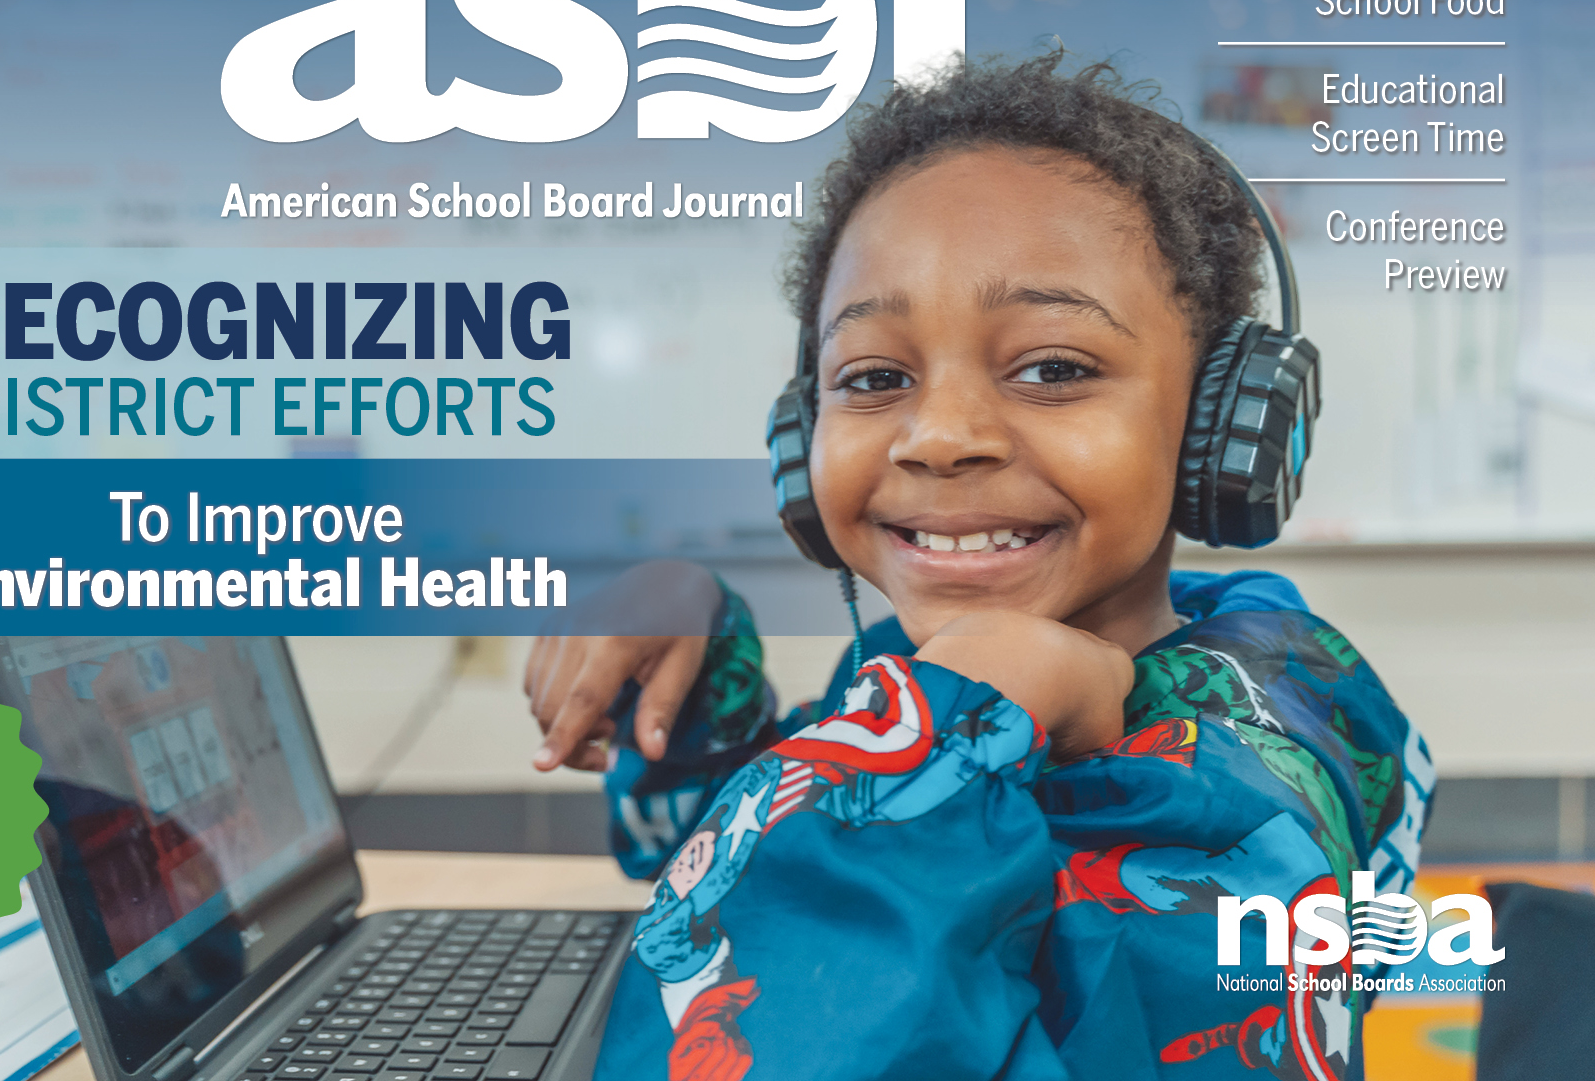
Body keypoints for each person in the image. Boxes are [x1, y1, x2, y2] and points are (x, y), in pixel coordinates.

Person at [523, 52, 1435, 1081]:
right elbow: (725, 879)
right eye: (872, 376)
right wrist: (698, 663)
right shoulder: (936, 667)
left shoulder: (1246, 793)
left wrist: (961, 715)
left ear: (1217, 426)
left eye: (1051, 367)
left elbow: (786, 1025)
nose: (940, 435)